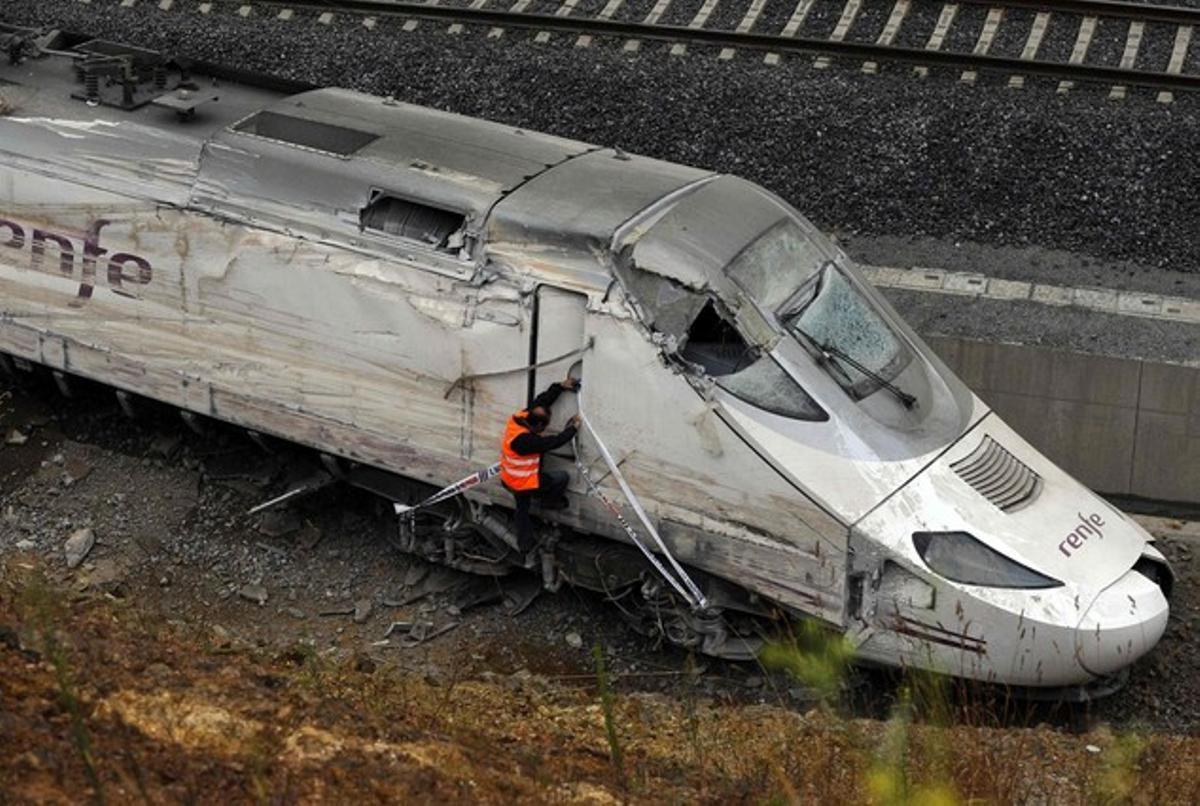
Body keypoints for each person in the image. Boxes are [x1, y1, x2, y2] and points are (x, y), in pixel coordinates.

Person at [500, 376, 581, 552]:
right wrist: (573, 428)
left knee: (522, 510)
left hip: (509, 477)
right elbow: (555, 441)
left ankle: (525, 544)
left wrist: (559, 386)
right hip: (522, 483)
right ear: (537, 426)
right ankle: (548, 502)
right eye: (543, 428)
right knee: (561, 478)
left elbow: (542, 401)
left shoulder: (520, 418)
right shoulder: (526, 441)